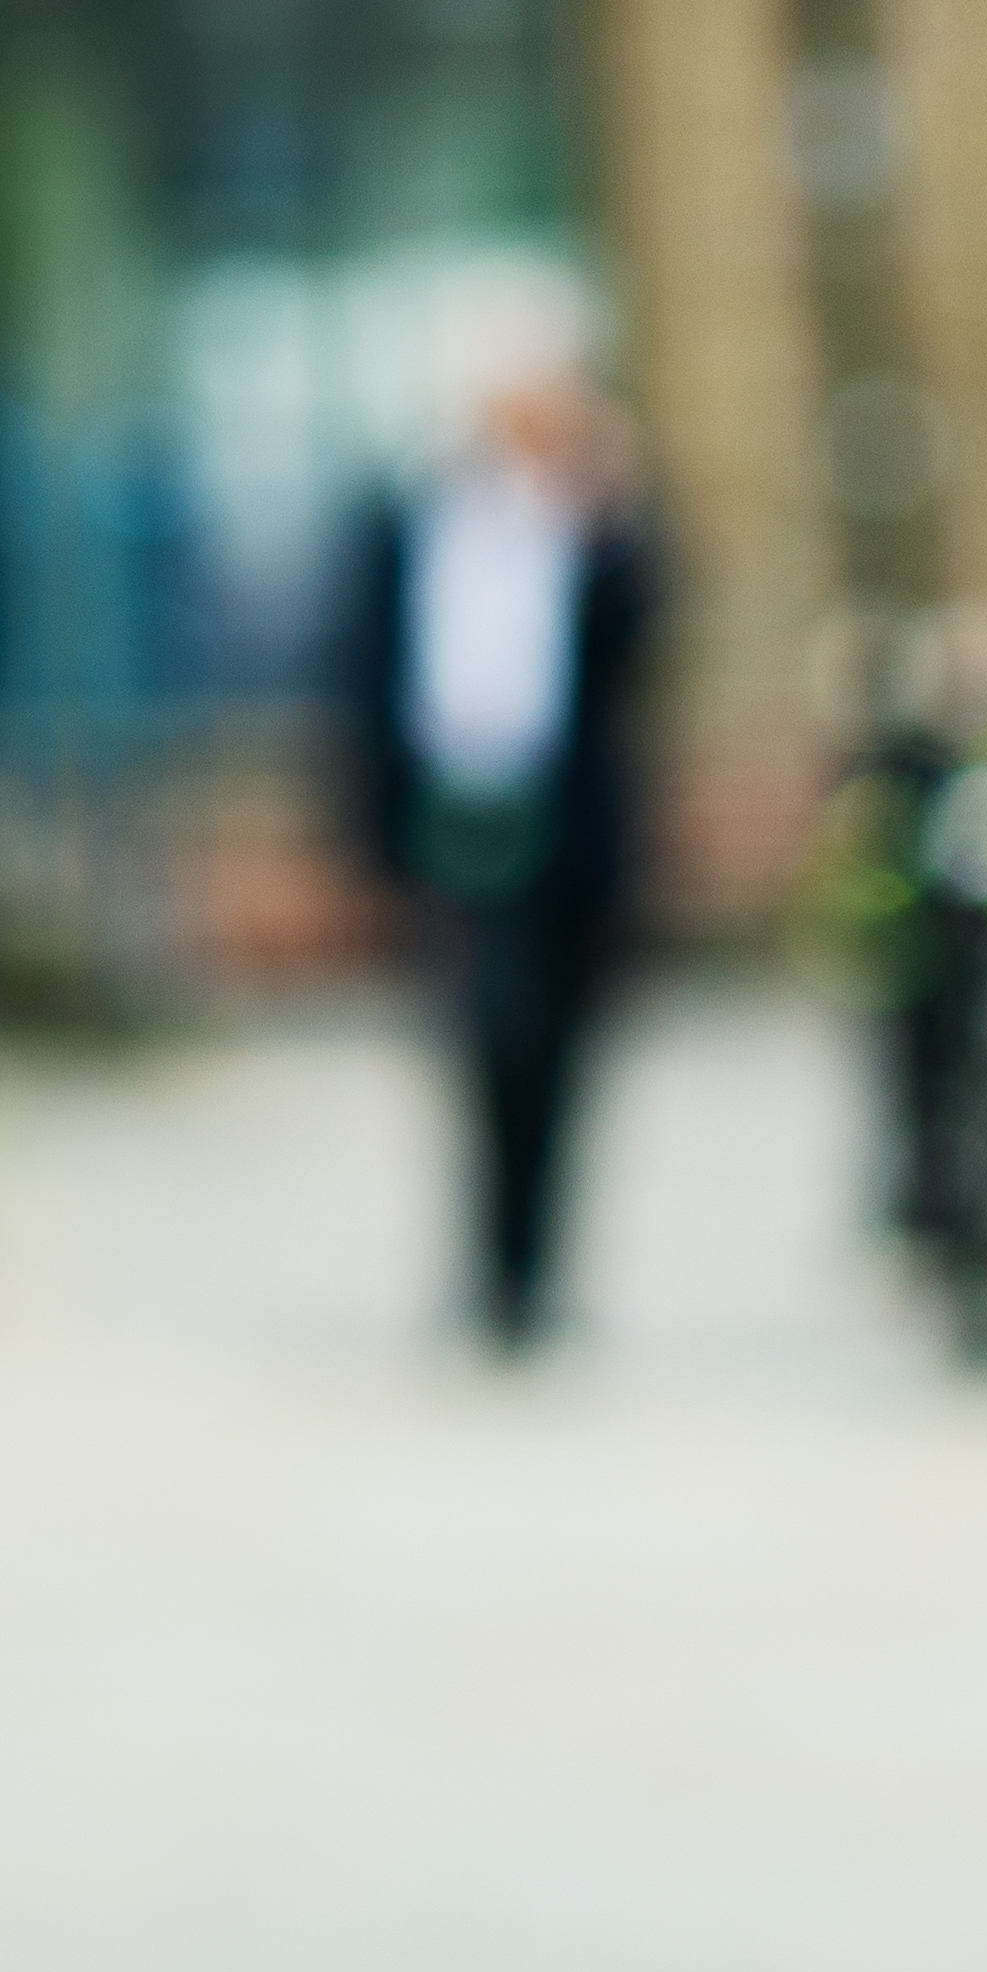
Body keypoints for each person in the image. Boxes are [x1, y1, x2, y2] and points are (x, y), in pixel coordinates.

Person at [322, 336, 664, 1353]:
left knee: (559, 1052)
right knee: (478, 1039)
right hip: (449, 812)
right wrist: (364, 829)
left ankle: (535, 1270)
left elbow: (641, 640)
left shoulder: (586, 520)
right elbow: (360, 672)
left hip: (561, 820)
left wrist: (610, 514)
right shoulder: (410, 515)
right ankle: (482, 1268)